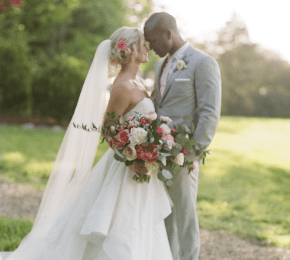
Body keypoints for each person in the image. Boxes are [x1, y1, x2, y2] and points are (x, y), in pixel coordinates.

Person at [0, 27, 174, 260]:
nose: (148, 48)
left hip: (141, 165)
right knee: (120, 222)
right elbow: (108, 128)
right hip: (126, 166)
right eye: (143, 44)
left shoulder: (139, 82)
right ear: (131, 50)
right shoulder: (122, 86)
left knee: (138, 219)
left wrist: (156, 142)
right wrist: (133, 156)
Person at [144, 12, 222, 260]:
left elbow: (209, 112)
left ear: (168, 34)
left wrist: (192, 155)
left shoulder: (203, 62)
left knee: (185, 216)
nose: (151, 47)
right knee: (164, 213)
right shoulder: (160, 65)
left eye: (153, 41)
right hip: (159, 152)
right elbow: (158, 106)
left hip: (183, 155)